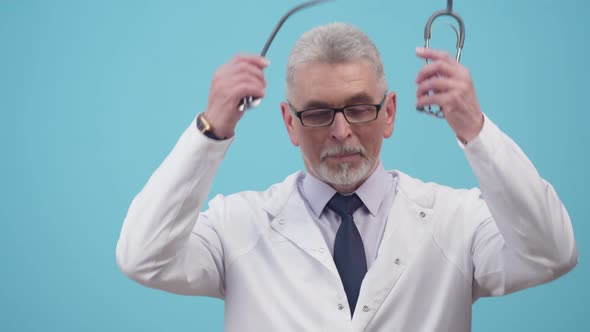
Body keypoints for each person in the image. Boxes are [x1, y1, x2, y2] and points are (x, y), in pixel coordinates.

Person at [116, 23, 578, 331]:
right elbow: (143, 256)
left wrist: (475, 129)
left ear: (390, 113)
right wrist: (210, 131)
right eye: (317, 112)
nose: (341, 130)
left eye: (359, 107)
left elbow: (552, 253)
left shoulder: (454, 220)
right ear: (289, 123)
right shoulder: (238, 226)